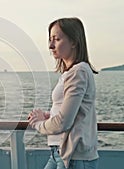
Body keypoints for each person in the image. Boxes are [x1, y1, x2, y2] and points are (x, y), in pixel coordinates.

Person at [28, 17, 99, 169]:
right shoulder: (70, 73)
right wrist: (50, 115)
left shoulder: (78, 71)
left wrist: (38, 123)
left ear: (74, 42)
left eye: (57, 39)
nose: (51, 45)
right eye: (50, 40)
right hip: (59, 152)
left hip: (73, 157)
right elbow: (72, 111)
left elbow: (64, 121)